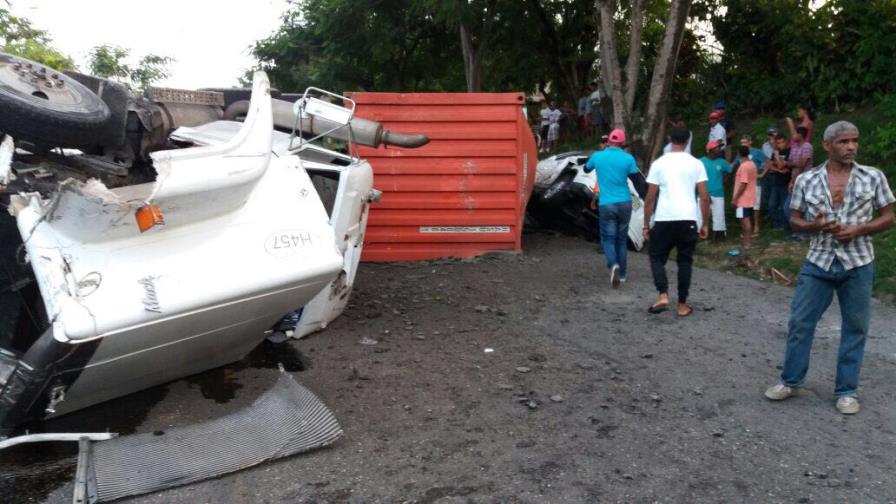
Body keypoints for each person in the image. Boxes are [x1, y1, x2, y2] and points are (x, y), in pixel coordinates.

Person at [764, 121, 894, 415]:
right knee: (800, 322)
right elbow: (794, 219)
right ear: (827, 145)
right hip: (818, 262)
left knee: (856, 327)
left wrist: (859, 229)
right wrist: (815, 225)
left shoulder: (873, 177)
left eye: (854, 140)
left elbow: (889, 216)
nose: (851, 146)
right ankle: (791, 380)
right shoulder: (807, 180)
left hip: (859, 262)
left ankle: (847, 391)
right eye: (844, 141)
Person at [643, 126, 710, 317]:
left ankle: (663, 294)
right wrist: (704, 223)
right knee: (685, 261)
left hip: (664, 218)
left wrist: (646, 224)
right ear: (688, 140)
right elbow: (704, 197)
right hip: (688, 219)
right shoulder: (696, 164)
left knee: (656, 256)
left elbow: (650, 198)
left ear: (670, 139)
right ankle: (682, 305)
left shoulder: (659, 164)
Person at [583, 128, 639, 288]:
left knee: (608, 238)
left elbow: (586, 169)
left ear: (608, 141)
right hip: (625, 202)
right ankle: (622, 275)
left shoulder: (598, 156)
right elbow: (635, 178)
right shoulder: (628, 158)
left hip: (606, 204)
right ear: (622, 142)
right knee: (621, 238)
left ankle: (613, 264)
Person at [733, 134, 769, 236]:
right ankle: (745, 229)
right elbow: (734, 164)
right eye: (741, 143)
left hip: (754, 183)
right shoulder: (740, 153)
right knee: (743, 205)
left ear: (750, 142)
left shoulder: (757, 152)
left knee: (755, 206)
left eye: (745, 142)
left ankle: (756, 226)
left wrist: (762, 174)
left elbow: (768, 162)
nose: (743, 144)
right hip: (742, 183)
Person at [698, 140, 732, 239]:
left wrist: (723, 181)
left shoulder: (722, 162)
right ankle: (700, 236)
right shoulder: (701, 162)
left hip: (718, 193)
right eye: (718, 148)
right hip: (703, 193)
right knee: (700, 216)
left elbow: (729, 171)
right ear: (711, 150)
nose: (720, 150)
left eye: (720, 147)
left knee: (719, 216)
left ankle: (718, 237)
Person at [730, 145, 757, 252]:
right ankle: (747, 241)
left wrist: (735, 198)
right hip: (750, 197)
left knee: (745, 220)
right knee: (745, 219)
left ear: (739, 154)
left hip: (743, 199)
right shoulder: (752, 164)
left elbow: (743, 183)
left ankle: (748, 243)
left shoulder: (744, 166)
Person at [766, 133, 792, 229]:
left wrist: (777, 157)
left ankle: (786, 226)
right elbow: (770, 166)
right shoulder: (775, 153)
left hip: (786, 182)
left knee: (784, 206)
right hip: (775, 182)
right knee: (771, 205)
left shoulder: (790, 152)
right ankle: (778, 224)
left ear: (786, 142)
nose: (780, 145)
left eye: (781, 142)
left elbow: (780, 164)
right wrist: (780, 170)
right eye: (778, 143)